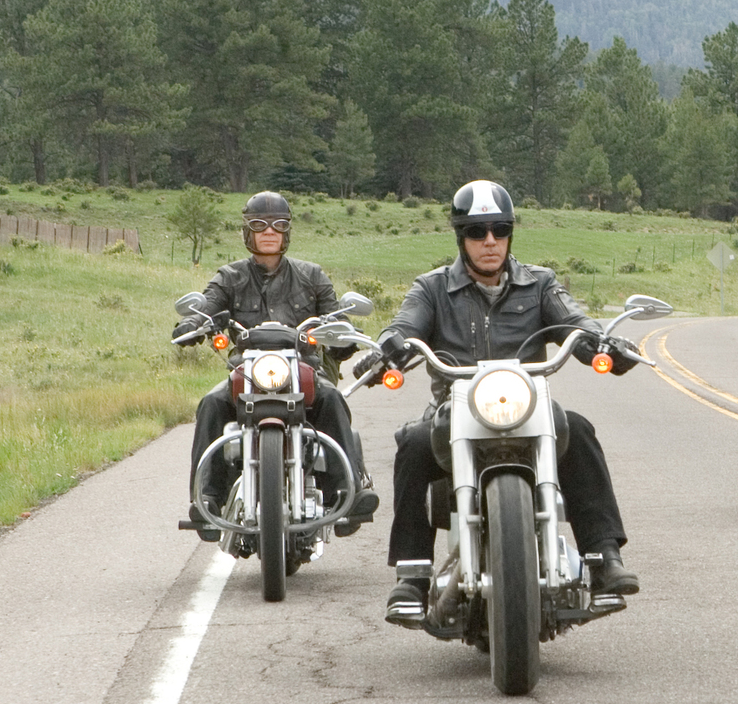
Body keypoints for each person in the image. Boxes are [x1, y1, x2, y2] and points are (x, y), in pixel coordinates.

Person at [354, 180, 639, 626]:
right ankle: (411, 575)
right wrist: (389, 346)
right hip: (455, 410)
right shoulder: (431, 288)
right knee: (411, 441)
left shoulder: (540, 283)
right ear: (460, 237)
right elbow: (406, 324)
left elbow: (575, 323)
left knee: (578, 429)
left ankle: (602, 557)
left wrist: (603, 344)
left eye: (499, 229)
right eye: (477, 231)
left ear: (509, 234)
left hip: (527, 409)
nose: (489, 241)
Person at [175, 191, 378, 538]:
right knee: (211, 403)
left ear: (287, 232)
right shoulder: (229, 277)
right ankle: (207, 499)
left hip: (303, 367)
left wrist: (344, 336)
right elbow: (208, 306)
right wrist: (193, 324)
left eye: (278, 225)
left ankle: (348, 491)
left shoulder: (311, 276)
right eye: (259, 225)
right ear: (247, 231)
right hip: (248, 371)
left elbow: (334, 317)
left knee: (332, 399)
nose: (269, 231)